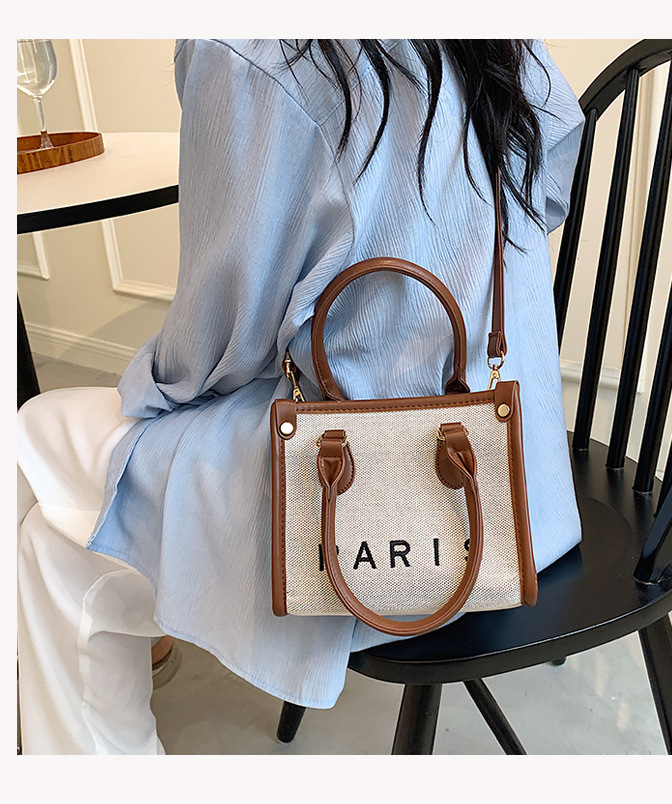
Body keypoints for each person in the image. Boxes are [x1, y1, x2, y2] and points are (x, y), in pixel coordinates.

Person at [17, 38, 585, 754]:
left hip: (379, 519)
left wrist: (163, 389)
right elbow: (550, 180)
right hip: (523, 483)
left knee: (30, 438)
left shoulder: (249, 46)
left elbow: (212, 347)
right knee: (43, 542)